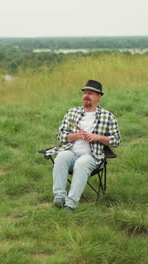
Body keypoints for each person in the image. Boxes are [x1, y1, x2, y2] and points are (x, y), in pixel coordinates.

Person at [45, 80, 121, 213]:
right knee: (61, 157)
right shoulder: (72, 113)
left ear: (98, 96)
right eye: (85, 93)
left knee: (81, 163)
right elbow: (60, 135)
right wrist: (75, 136)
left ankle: (71, 204)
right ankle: (59, 197)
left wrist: (98, 137)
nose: (86, 95)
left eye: (90, 93)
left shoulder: (108, 117)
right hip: (71, 152)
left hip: (92, 156)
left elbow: (116, 141)